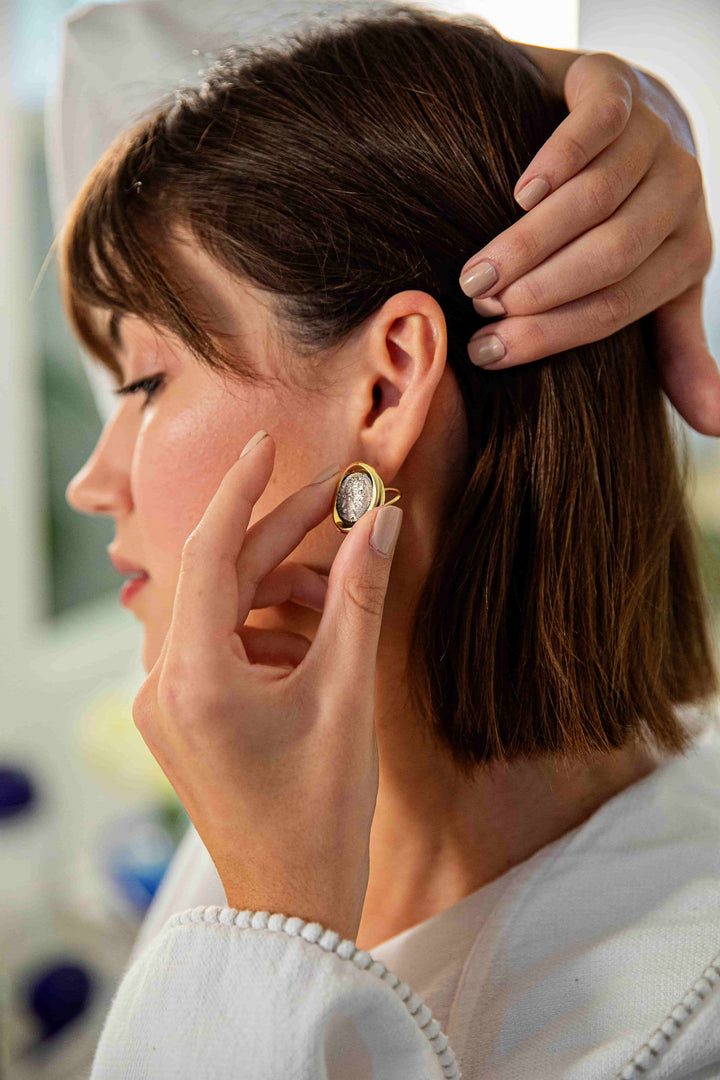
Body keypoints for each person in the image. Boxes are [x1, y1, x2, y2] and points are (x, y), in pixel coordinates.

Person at [53, 2, 720, 1077]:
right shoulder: (267, 790)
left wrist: (271, 933)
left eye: (142, 384)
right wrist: (530, 86)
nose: (91, 482)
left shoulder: (677, 1027)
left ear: (389, 381)